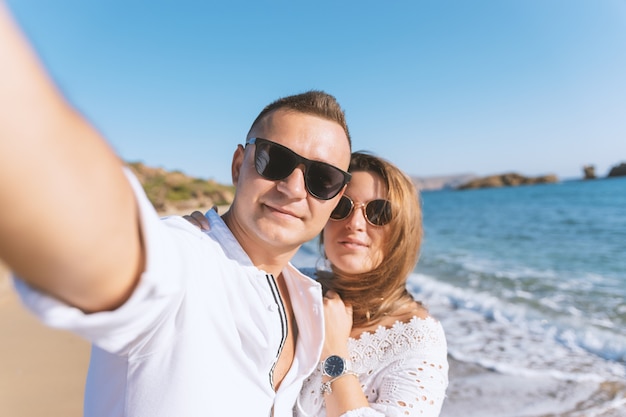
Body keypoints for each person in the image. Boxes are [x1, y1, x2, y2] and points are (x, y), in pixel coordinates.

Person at [0, 4, 352, 417]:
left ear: (334, 202)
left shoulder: (308, 299)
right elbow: (88, 228)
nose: (294, 188)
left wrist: (335, 355)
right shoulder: (184, 260)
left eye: (322, 179)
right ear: (239, 165)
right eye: (274, 160)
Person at [185, 152, 449, 417]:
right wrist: (201, 243)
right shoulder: (291, 282)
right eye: (342, 207)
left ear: (404, 229)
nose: (355, 224)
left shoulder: (418, 339)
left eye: (378, 213)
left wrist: (334, 353)